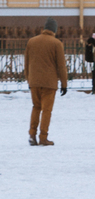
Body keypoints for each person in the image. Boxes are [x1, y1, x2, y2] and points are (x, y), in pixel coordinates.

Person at [25, 18, 69, 146]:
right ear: (54, 29)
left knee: (36, 107)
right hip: (49, 83)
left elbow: (27, 62)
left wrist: (29, 79)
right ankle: (43, 137)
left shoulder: (31, 42)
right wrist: (64, 84)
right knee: (46, 110)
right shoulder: (56, 43)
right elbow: (61, 66)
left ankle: (32, 135)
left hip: (34, 82)